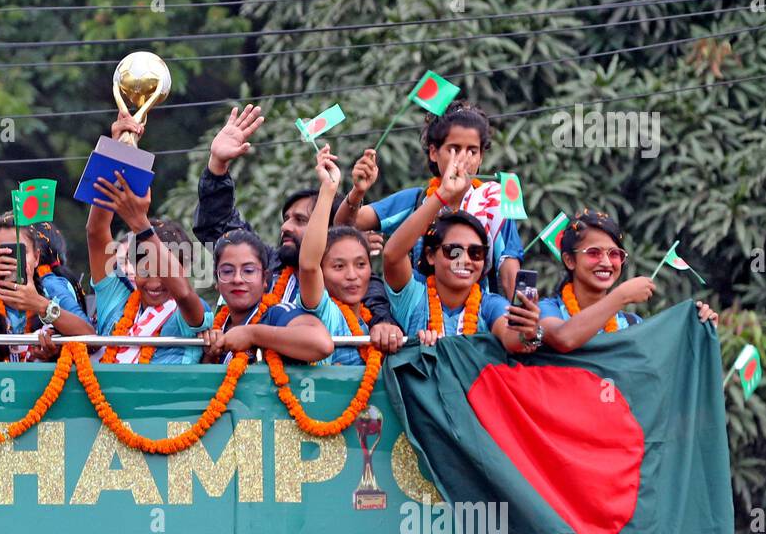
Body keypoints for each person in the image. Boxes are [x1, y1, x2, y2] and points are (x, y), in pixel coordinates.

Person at [190, 105, 399, 325]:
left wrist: (384, 326)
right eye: (286, 219)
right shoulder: (267, 265)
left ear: (328, 231)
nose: (285, 227)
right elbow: (218, 225)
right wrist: (217, 165)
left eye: (300, 220)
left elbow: (381, 317)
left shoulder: (356, 279)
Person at [337, 101, 523, 298]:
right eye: (454, 149)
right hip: (420, 317)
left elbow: (509, 271)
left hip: (479, 319)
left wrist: (524, 318)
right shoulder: (417, 200)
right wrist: (358, 191)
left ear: (481, 157)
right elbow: (343, 226)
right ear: (434, 152)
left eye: (472, 151)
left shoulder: (493, 201)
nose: (463, 159)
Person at [382, 154, 540, 352]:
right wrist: (442, 195)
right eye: (453, 251)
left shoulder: (489, 304)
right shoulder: (414, 295)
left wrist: (528, 331)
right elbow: (392, 255)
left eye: (476, 253)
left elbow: (512, 339)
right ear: (430, 255)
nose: (464, 260)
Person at [538, 209, 719, 351]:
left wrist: (702, 333)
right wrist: (621, 296)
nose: (606, 262)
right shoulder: (546, 311)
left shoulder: (633, 325)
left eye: (614, 254)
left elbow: (664, 373)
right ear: (569, 260)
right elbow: (564, 338)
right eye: (594, 253)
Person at [87, 170, 212, 364]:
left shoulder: (190, 310)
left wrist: (140, 223)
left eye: (163, 273)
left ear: (184, 270)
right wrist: (117, 154)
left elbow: (184, 294)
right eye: (145, 270)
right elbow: (96, 232)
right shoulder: (117, 300)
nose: (155, 282)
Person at [298, 145, 406, 362]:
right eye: (338, 266)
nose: (352, 275)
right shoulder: (325, 312)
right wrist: (328, 188)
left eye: (360, 264)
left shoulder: (373, 324)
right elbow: (308, 265)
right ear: (321, 271)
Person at [199, 229, 333, 364]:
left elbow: (322, 344)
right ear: (217, 280)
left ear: (265, 279)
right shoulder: (214, 327)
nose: (237, 279)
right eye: (227, 271)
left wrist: (252, 335)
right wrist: (210, 353)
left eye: (249, 271)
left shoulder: (275, 314)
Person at [0, 216, 93, 361]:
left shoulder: (51, 288)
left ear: (36, 258)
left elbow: (91, 340)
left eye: (21, 252)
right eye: (3, 253)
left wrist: (41, 305)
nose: (13, 260)